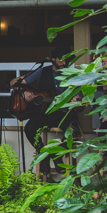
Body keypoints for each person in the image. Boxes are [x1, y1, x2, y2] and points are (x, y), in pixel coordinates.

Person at [22, 44, 80, 176]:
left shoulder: (74, 76)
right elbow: (15, 83)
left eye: (66, 60)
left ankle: (57, 154)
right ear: (53, 59)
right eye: (61, 59)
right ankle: (44, 154)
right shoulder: (42, 72)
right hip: (45, 113)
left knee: (75, 132)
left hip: (65, 114)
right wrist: (23, 92)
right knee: (29, 128)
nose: (64, 62)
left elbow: (81, 107)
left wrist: (77, 103)